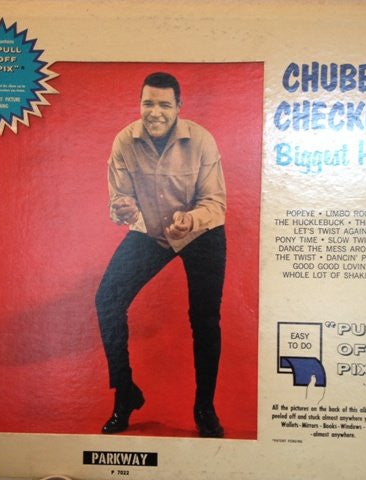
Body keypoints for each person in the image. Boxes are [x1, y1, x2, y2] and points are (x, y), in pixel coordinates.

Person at [96, 72, 227, 438]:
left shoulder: (202, 141)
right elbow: (119, 199)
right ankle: (125, 392)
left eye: (164, 104)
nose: (155, 112)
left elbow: (215, 203)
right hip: (153, 232)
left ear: (178, 107)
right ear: (140, 104)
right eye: (148, 103)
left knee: (205, 320)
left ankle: (205, 408)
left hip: (201, 232)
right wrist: (122, 209)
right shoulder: (124, 141)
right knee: (107, 300)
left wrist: (191, 220)